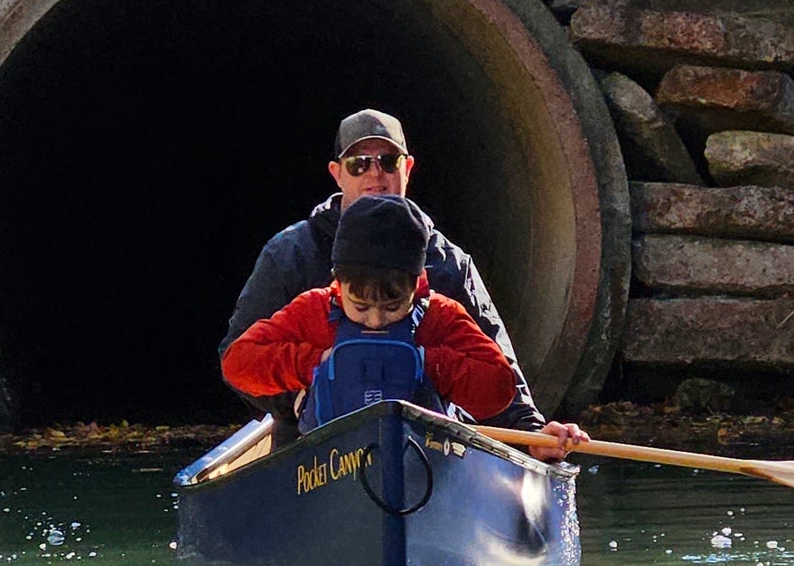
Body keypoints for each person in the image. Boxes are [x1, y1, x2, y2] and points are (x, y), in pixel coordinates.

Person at [219, 107, 587, 455]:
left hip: (430, 448)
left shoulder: (449, 271)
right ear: (338, 173)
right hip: (314, 447)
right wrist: (312, 382)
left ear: (419, 284)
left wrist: (531, 433)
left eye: (388, 161)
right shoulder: (292, 258)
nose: (375, 173)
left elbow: (499, 374)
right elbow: (237, 359)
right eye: (359, 164)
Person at [221, 195, 520, 429]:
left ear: (416, 285)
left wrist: (430, 364)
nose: (375, 320)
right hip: (330, 461)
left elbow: (500, 388)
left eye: (393, 307)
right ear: (339, 283)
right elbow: (237, 363)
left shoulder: (440, 316)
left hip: (424, 456)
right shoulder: (314, 309)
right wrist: (314, 363)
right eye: (360, 306)